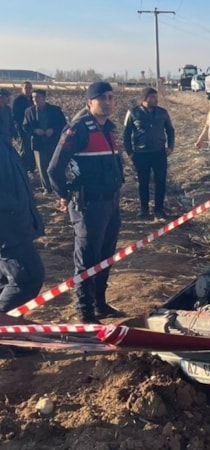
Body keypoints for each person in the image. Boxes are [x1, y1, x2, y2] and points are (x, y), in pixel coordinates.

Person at [47, 81, 126, 324]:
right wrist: (64, 195)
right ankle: (85, 312)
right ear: (89, 102)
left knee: (105, 257)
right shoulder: (78, 129)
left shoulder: (109, 129)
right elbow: (54, 168)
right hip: (88, 205)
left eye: (111, 97)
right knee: (87, 259)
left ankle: (100, 304)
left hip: (110, 203)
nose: (108, 102)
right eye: (102, 98)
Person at [0, 140, 45, 317]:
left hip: (15, 223)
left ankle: (8, 340)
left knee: (6, 282)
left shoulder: (4, 136)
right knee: (26, 279)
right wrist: (15, 205)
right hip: (8, 229)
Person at [123, 87, 176, 219]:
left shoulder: (162, 113)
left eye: (156, 97)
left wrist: (170, 147)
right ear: (144, 99)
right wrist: (130, 152)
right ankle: (144, 209)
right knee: (143, 182)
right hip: (141, 154)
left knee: (160, 181)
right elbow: (126, 134)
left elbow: (170, 130)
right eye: (153, 97)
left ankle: (159, 209)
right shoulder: (133, 113)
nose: (156, 100)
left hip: (159, 152)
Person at [22, 89, 67, 194]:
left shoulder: (55, 110)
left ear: (44, 98)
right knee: (42, 168)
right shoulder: (29, 111)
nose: (35, 100)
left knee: (54, 166)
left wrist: (53, 130)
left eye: (37, 97)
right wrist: (34, 130)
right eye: (33, 97)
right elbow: (25, 126)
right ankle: (47, 188)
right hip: (38, 143)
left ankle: (57, 187)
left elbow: (63, 124)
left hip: (53, 142)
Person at [12, 82, 34, 172]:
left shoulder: (33, 99)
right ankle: (23, 170)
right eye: (26, 88)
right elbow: (16, 118)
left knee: (32, 151)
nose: (28, 90)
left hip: (32, 130)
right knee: (24, 151)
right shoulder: (18, 101)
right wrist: (19, 131)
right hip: (23, 130)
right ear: (22, 89)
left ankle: (31, 169)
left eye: (30, 88)